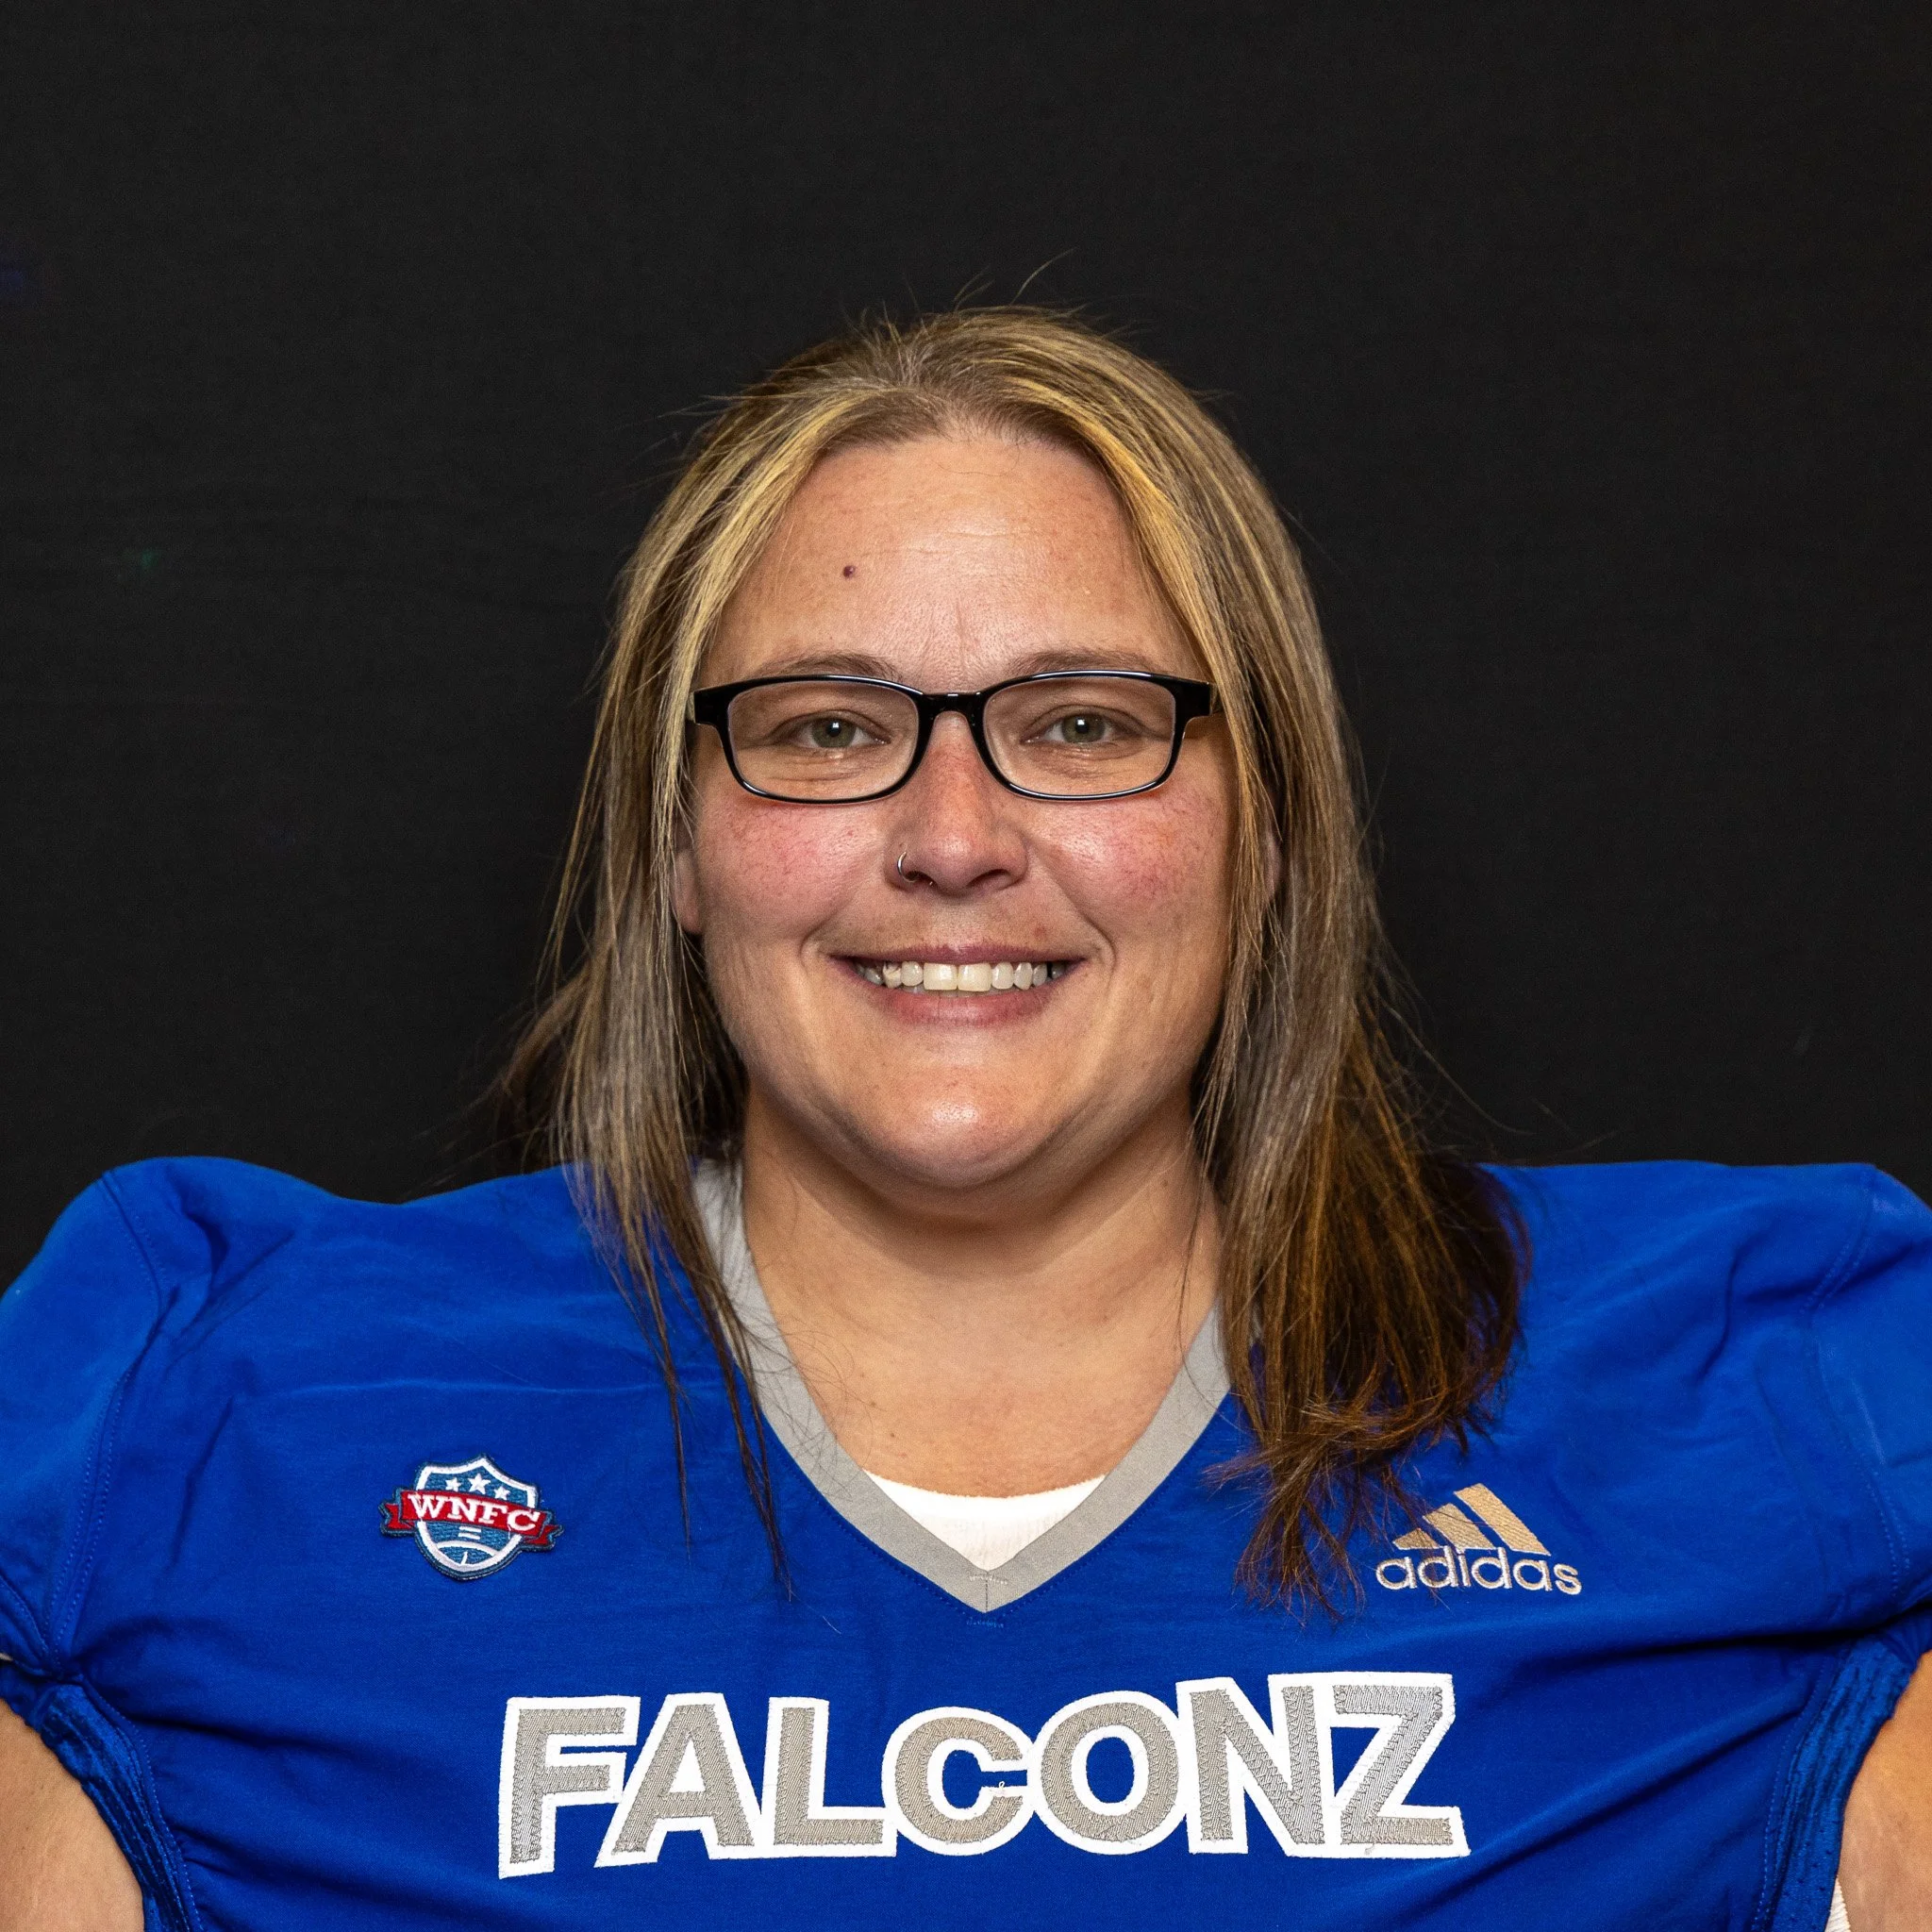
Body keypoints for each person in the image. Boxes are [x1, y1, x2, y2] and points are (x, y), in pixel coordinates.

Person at [0, 309, 1925, 1932]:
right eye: (827, 726)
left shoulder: (1750, 1382)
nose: (950, 840)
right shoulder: (211, 1402)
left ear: (1267, 825)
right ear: (679, 835)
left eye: (1084, 723)